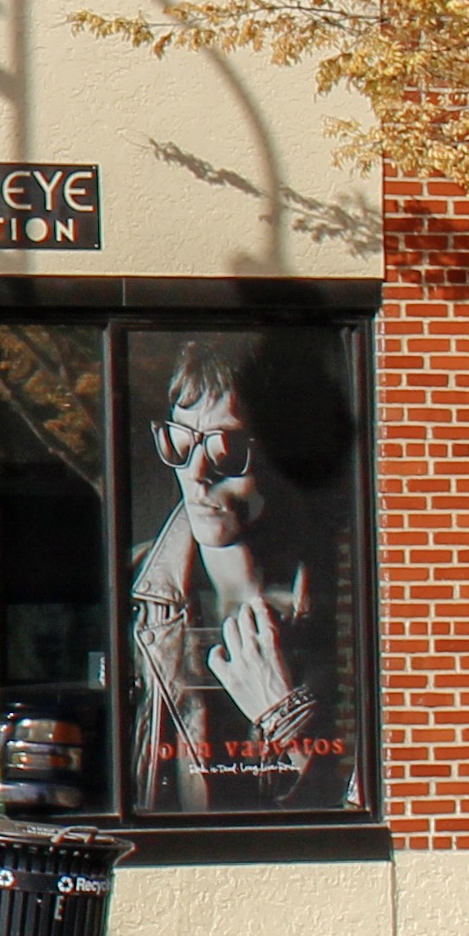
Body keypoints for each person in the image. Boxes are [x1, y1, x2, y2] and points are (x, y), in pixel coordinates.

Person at [127, 340, 328, 810]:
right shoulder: (132, 593)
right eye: (179, 442)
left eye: (225, 448)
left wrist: (285, 718)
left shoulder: (343, 595)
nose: (196, 472)